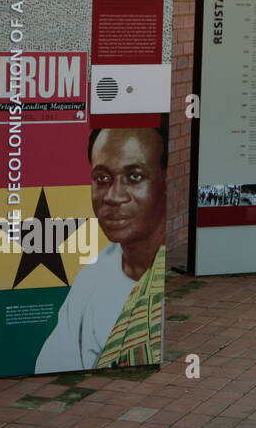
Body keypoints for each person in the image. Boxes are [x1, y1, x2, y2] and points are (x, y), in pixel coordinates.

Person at [35, 124, 166, 373]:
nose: (113, 197)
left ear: (165, 182)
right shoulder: (92, 278)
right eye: (102, 179)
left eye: (135, 177)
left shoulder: (167, 281)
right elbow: (52, 366)